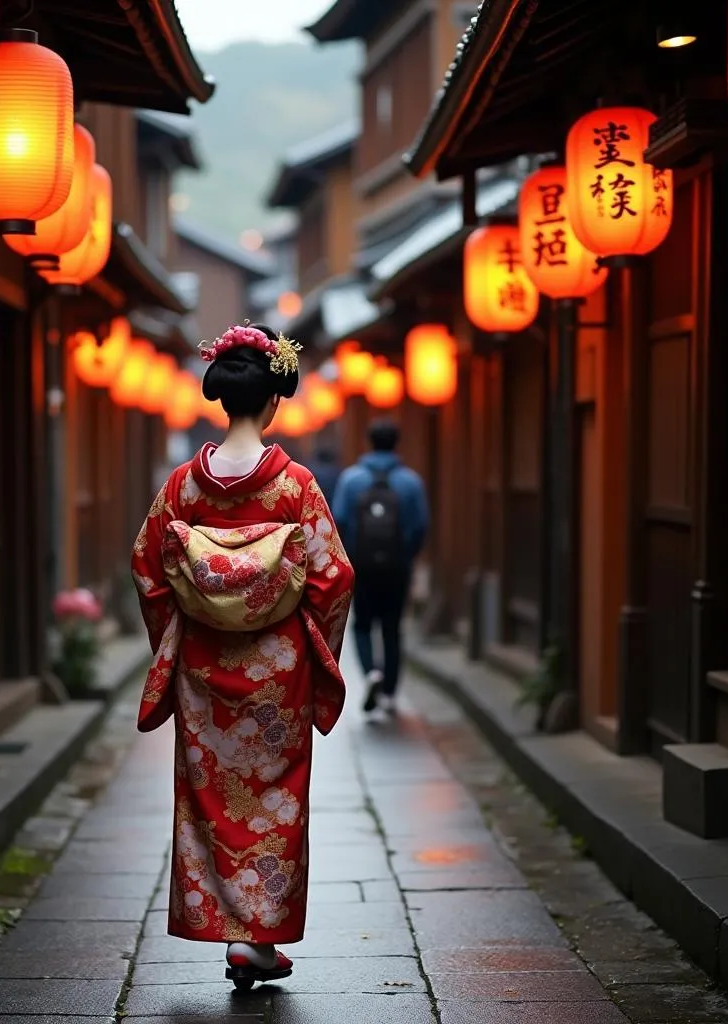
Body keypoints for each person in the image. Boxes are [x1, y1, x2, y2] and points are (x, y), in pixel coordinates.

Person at [130, 323, 355, 991]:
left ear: (222, 397)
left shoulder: (182, 489)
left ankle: (225, 928)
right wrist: (309, 641)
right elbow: (333, 577)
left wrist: (183, 628)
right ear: (275, 399)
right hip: (277, 671)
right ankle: (256, 942)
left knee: (208, 802)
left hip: (203, 664)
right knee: (273, 799)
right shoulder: (295, 487)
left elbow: (148, 569)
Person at [332, 419, 429, 715]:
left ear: (369, 442)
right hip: (397, 567)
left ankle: (371, 673)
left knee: (362, 624)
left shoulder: (351, 479)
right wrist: (406, 556)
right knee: (391, 627)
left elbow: (339, 521)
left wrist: (351, 556)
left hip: (361, 566)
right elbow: (420, 525)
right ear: (396, 443)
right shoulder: (411, 482)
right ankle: (389, 692)